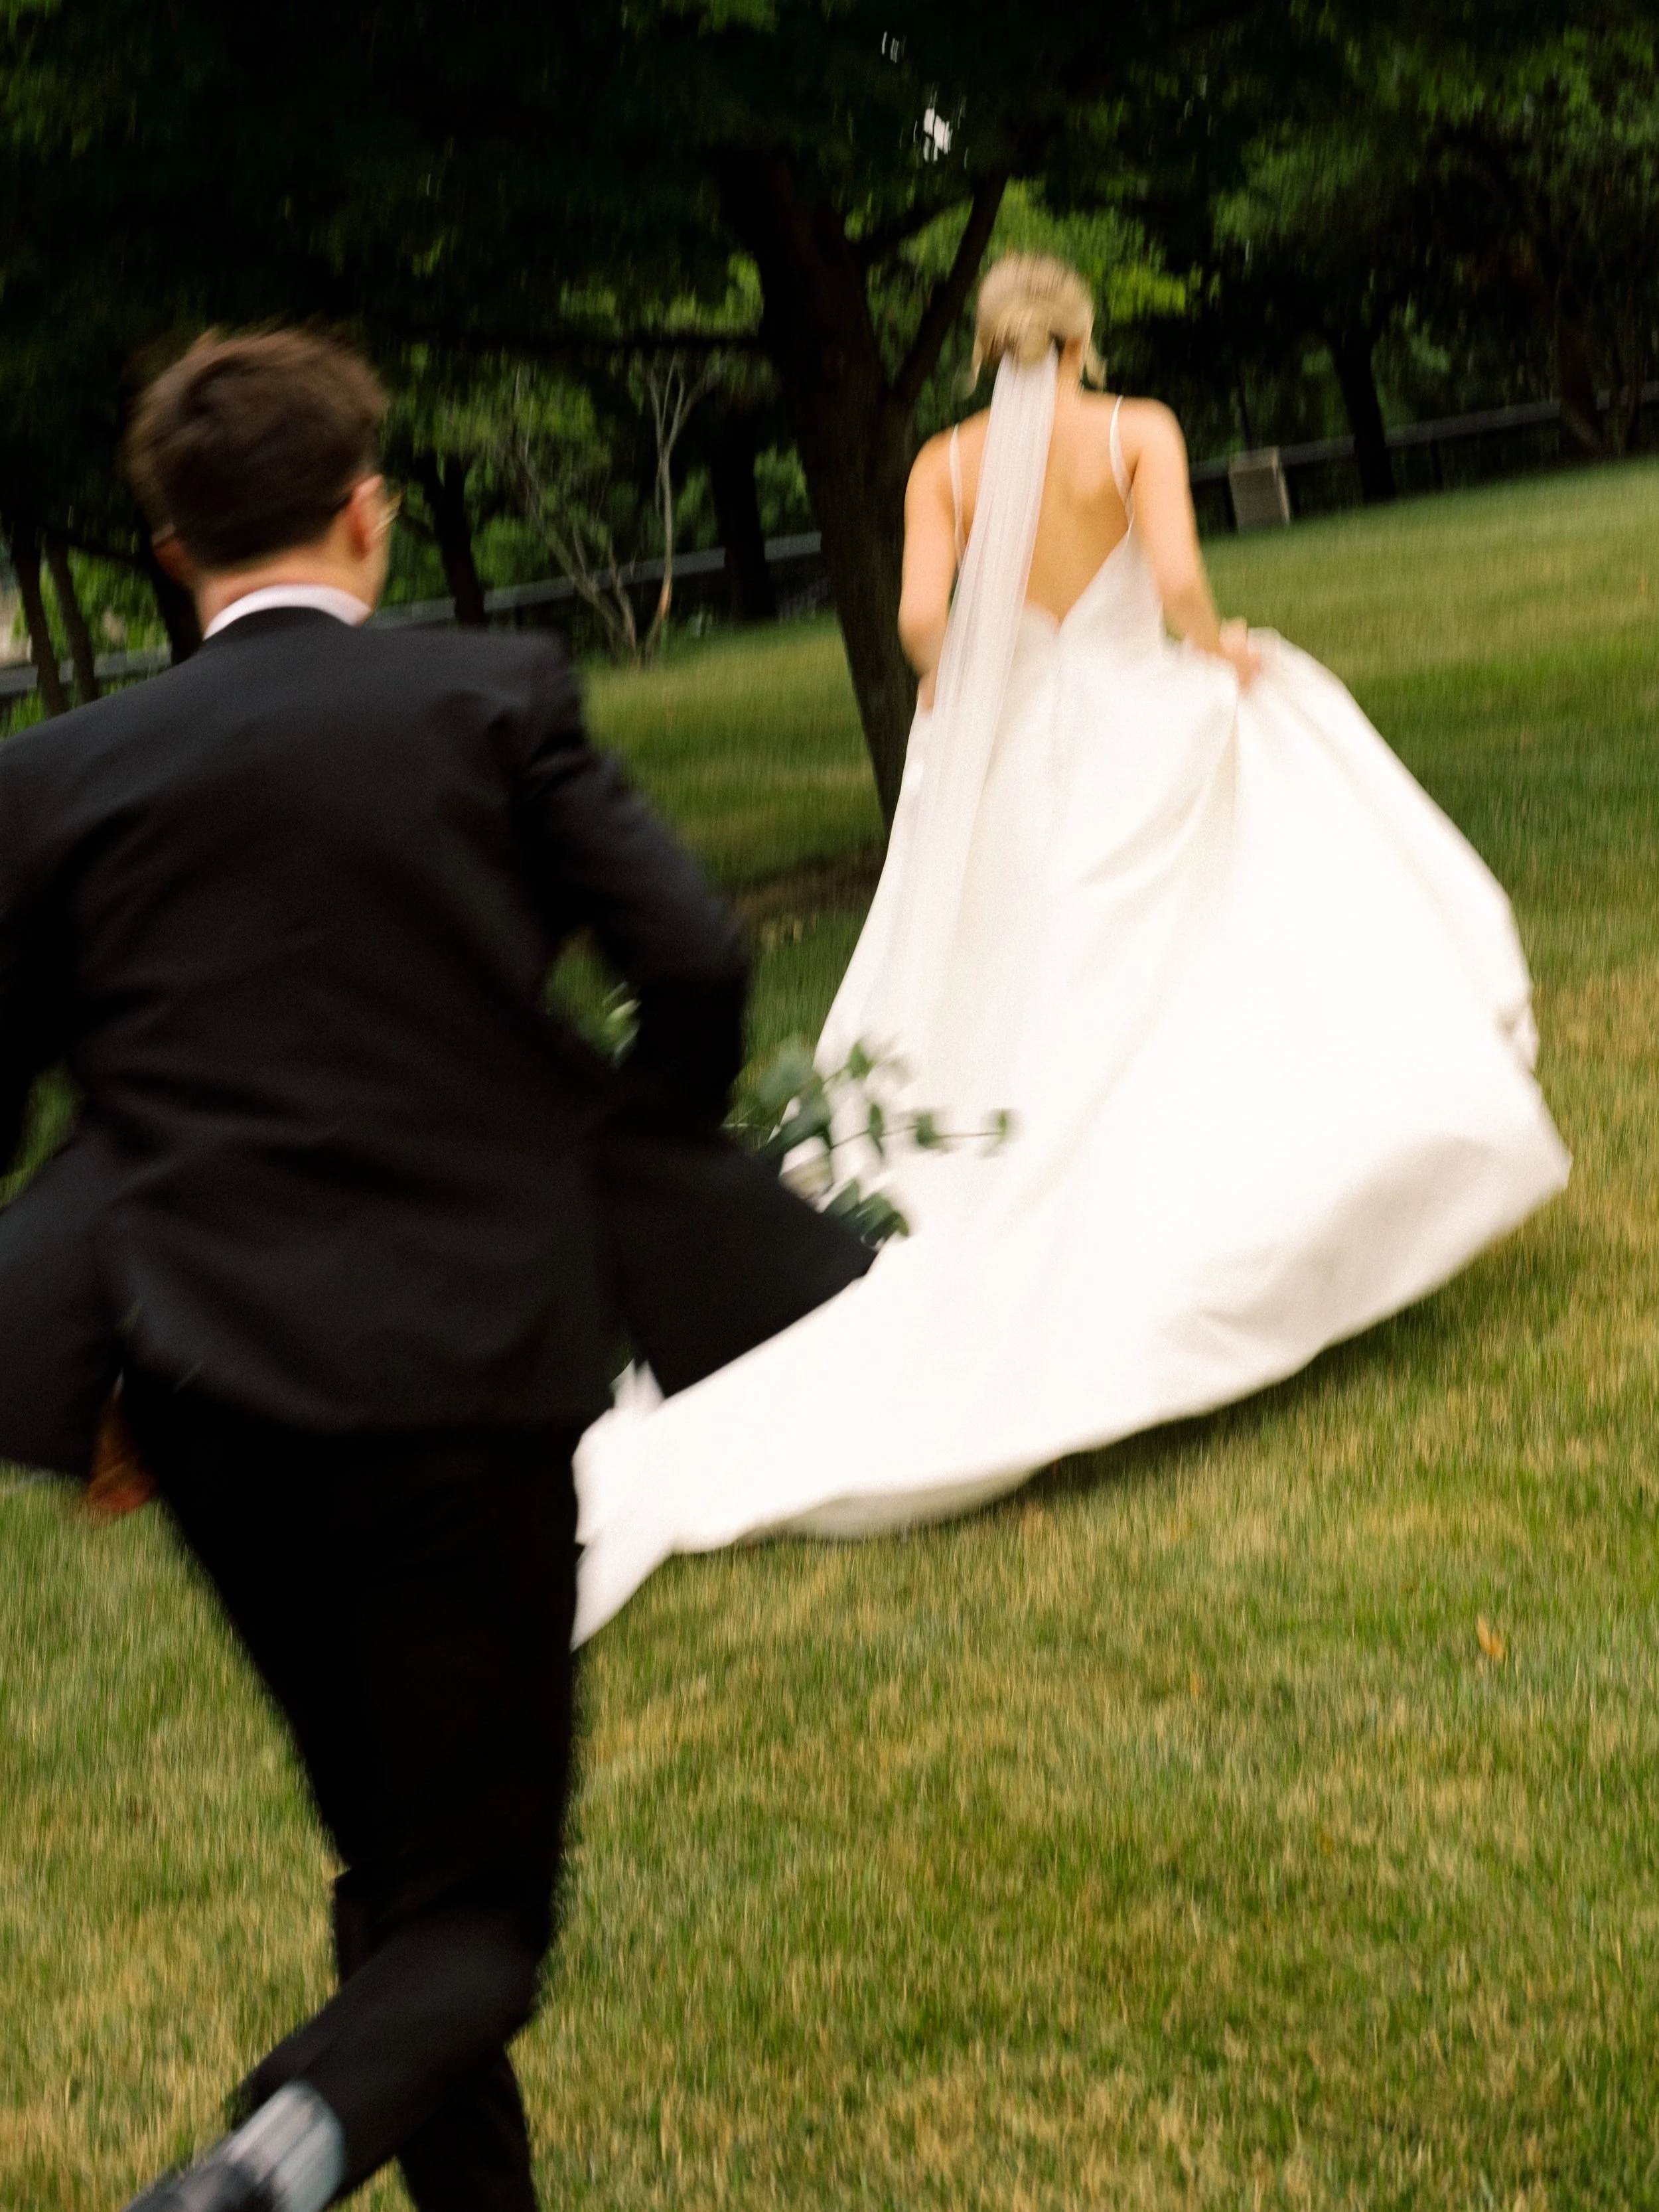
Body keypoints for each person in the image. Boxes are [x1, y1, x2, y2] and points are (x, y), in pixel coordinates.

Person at [0, 328, 869, 2211]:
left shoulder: (52, 775)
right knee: (475, 1919)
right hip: (472, 1361)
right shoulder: (489, 696)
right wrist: (610, 1149)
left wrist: (103, 1308)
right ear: (368, 514)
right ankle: (258, 2172)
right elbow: (696, 967)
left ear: (169, 549)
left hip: (208, 1388)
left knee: (394, 1860)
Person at [569, 252, 1570, 1638]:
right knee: (1186, 947)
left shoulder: (942, 464)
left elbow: (925, 621)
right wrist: (1222, 649)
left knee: (1025, 977)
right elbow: (1172, 586)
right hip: (1128, 725)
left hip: (1020, 747)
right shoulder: (1133, 431)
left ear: (980, 349)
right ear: (1082, 334)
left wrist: (975, 675)